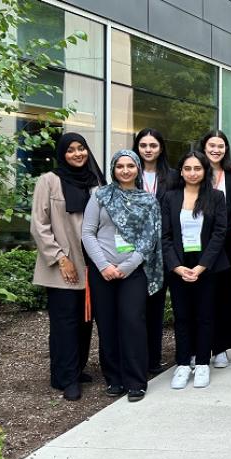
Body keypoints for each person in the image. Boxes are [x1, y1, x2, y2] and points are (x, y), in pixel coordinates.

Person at [82, 149, 163, 403]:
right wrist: (104, 266)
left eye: (130, 165)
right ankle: (114, 379)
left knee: (132, 322)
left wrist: (127, 267)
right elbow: (87, 232)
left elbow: (149, 239)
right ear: (113, 169)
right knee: (107, 325)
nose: (125, 170)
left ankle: (135, 381)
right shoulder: (100, 196)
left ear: (138, 168)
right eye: (120, 166)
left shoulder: (148, 201)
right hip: (102, 272)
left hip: (133, 271)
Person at [31, 133, 106, 401]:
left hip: (92, 262)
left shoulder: (95, 182)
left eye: (82, 148)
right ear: (62, 153)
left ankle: (76, 367)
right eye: (71, 150)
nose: (77, 154)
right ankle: (66, 377)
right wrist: (61, 258)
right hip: (63, 264)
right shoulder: (49, 181)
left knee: (85, 321)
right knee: (65, 322)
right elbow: (39, 225)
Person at [162, 151, 229, 389]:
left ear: (205, 171)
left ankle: (202, 363)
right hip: (178, 266)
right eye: (188, 168)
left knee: (205, 316)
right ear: (181, 171)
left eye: (197, 168)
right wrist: (177, 267)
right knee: (182, 317)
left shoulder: (216, 197)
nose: (192, 173)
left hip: (207, 267)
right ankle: (182, 364)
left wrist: (202, 267)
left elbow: (220, 233)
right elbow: (166, 236)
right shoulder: (170, 197)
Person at [199, 130, 231, 368]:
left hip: (227, 243)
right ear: (203, 147)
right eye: (212, 145)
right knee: (202, 297)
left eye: (221, 146)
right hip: (198, 243)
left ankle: (221, 348)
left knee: (226, 297)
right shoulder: (195, 172)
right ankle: (200, 348)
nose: (216, 150)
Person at [132, 128, 173, 375]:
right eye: (144, 145)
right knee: (137, 307)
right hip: (134, 252)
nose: (148, 149)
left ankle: (153, 359)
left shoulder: (173, 177)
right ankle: (138, 356)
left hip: (164, 250)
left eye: (153, 145)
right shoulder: (127, 174)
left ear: (160, 148)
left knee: (156, 305)